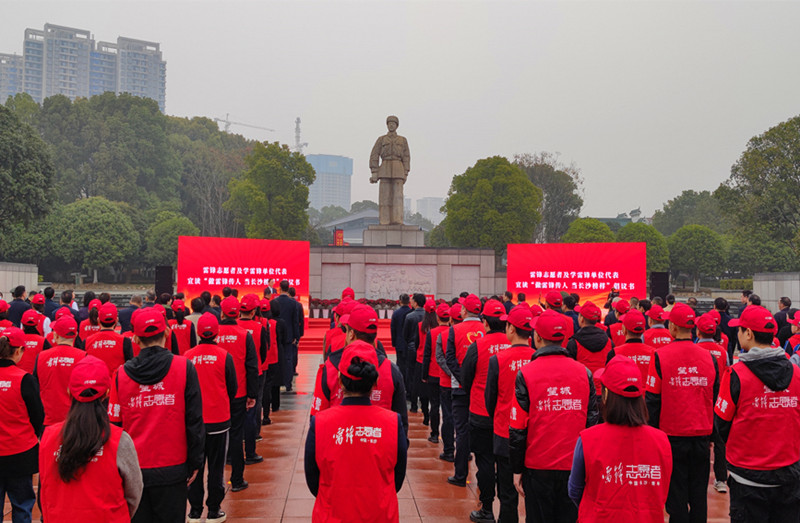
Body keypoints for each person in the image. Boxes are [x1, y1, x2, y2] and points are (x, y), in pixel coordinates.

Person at [107, 308, 204, 523]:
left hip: (134, 470)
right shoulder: (184, 367)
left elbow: (114, 426)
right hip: (173, 467)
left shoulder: (121, 375)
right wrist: (196, 461)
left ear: (135, 338)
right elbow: (194, 420)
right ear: (167, 332)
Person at [510, 309, 599, 523]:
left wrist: (517, 468)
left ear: (537, 337)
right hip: (573, 465)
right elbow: (592, 421)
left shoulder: (526, 373)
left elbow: (518, 428)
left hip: (537, 465)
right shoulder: (584, 372)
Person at [304, 342, 408, 522]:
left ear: (339, 379)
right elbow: (397, 477)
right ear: (375, 382)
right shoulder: (393, 422)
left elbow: (313, 478)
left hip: (332, 514)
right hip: (380, 515)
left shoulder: (320, 423)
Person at [715, 305, 800, 522]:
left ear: (749, 334)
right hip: (788, 475)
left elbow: (721, 425)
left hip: (748, 478)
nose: (738, 333)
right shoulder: (796, 373)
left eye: (740, 329)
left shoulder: (735, 375)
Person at [568, 355, 672, 522]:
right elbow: (662, 490)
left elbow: (574, 490)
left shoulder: (588, 439)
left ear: (606, 394)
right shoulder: (661, 441)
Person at [39, 355, 143, 521]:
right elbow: (134, 493)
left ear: (69, 392)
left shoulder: (48, 437)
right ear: (107, 393)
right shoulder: (120, 440)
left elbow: (44, 491)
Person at [645, 303, 719, 523]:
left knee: (676, 495)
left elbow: (652, 400)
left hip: (672, 436)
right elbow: (714, 398)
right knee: (698, 495)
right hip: (701, 435)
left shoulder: (660, 356)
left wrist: (653, 436)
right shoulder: (710, 358)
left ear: (673, 327)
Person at [310, 305, 408, 434]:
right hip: (379, 439)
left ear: (351, 333)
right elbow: (401, 425)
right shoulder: (391, 370)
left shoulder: (330, 367)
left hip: (338, 439)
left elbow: (316, 420)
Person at [461, 298, 511, 522]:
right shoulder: (516, 345)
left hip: (481, 413)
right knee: (507, 465)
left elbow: (465, 378)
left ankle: (487, 508)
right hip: (510, 416)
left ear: (485, 322)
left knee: (485, 462)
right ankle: (508, 513)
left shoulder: (478, 346)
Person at [185, 313, 237, 523]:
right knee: (216, 469)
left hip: (194, 423)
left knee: (194, 466)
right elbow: (232, 388)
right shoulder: (224, 356)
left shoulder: (187, 356)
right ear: (217, 333)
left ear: (198, 333)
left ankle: (194, 511)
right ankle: (214, 511)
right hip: (218, 421)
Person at [485, 305, 535, 523]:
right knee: (532, 494)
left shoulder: (498, 359)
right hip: (532, 435)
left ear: (511, 329)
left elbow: (490, 399)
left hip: (504, 433)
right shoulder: (537, 358)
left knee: (506, 494)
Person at [0, 327, 44, 523]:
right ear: (18, 351)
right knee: (22, 506)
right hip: (20, 452)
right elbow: (37, 415)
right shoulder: (24, 379)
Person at [216, 296, 259, 489]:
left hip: (216, 394)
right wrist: (252, 394)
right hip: (239, 393)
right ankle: (237, 479)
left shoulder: (213, 334)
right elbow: (252, 366)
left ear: (222, 314)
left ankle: (216, 483)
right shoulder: (244, 335)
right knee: (236, 434)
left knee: (215, 438)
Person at [445, 293, 486, 487]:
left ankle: (460, 475)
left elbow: (450, 358)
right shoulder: (486, 329)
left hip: (460, 388)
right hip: (483, 388)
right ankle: (484, 479)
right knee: (483, 432)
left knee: (461, 431)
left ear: (463, 311)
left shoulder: (455, 329)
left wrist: (463, 379)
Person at [694, 313, 730, 494]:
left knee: (701, 440)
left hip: (699, 401)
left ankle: (698, 479)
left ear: (698, 332)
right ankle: (721, 479)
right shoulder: (722, 351)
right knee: (720, 442)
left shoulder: (695, 350)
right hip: (719, 401)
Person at [35, 316, 86, 427]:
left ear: (56, 335)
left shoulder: (41, 357)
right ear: (76, 335)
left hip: (48, 419)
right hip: (75, 419)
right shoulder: (83, 357)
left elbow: (35, 387)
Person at [237, 294, 267, 466]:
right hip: (255, 373)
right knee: (252, 409)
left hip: (234, 374)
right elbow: (264, 351)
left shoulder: (233, 327)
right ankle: (250, 451)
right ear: (254, 311)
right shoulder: (259, 327)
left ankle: (232, 452)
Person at [369, 114, 411, 225]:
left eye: (393, 123)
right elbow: (374, 154)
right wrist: (374, 171)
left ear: (397, 126)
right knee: (384, 196)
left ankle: (397, 219)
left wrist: (406, 172)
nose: (391, 125)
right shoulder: (381, 139)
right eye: (389, 123)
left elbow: (406, 157)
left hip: (398, 168)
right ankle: (384, 220)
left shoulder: (403, 140)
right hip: (385, 167)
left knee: (398, 196)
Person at [435, 302, 463, 462]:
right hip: (464, 383)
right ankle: (464, 451)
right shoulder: (473, 333)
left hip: (446, 383)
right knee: (463, 419)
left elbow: (439, 358)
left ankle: (449, 451)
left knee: (448, 417)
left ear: (451, 319)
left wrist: (451, 373)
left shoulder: (443, 335)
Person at [422, 303, 451, 444]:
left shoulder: (432, 333)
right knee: (448, 408)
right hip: (448, 376)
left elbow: (427, 355)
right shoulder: (453, 332)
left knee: (434, 405)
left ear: (438, 318)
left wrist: (424, 375)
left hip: (433, 374)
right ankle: (449, 436)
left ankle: (434, 434)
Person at [566, 301, 611, 394]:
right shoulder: (609, 342)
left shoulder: (573, 343)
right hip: (603, 391)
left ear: (581, 319)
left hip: (581, 390)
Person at [605, 309, 654, 382]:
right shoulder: (654, 353)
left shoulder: (614, 353)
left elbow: (608, 380)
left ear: (624, 329)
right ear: (643, 329)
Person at [84, 302, 134, 373]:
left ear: (98, 320)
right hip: (116, 379)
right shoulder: (125, 341)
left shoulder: (87, 342)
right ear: (116, 320)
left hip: (93, 379)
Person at [402, 293, 428, 416]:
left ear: (416, 302)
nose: (410, 301)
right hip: (424, 348)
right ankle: (424, 404)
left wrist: (410, 344)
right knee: (423, 376)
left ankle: (413, 404)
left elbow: (405, 335)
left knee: (412, 377)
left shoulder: (410, 316)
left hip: (412, 349)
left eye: (412, 300)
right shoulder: (428, 316)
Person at [262, 299, 287, 424]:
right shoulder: (276, 323)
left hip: (262, 358)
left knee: (264, 385)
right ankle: (274, 406)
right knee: (273, 383)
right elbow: (282, 339)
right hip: (274, 356)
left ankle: (264, 408)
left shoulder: (259, 323)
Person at [271, 280, 299, 392]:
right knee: (288, 359)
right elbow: (295, 321)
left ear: (279, 288)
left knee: (276, 358)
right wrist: (296, 336)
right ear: (288, 288)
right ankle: (288, 384)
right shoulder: (293, 303)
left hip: (276, 333)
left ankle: (277, 383)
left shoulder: (274, 301)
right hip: (289, 335)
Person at [391, 294, 412, 389]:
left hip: (399, 342)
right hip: (410, 343)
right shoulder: (411, 312)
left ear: (400, 301)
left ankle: (400, 385)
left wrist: (394, 342)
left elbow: (393, 329)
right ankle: (408, 386)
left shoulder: (396, 313)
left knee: (400, 364)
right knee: (409, 365)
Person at [18, 310, 47, 374]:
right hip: (35, 377)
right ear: (37, 325)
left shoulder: (16, 339)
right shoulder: (43, 341)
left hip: (18, 376)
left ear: (22, 324)